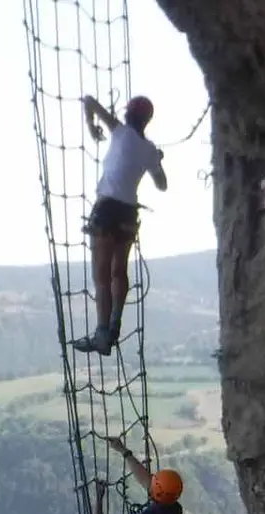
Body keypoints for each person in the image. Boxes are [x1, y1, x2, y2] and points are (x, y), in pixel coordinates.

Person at [73, 95, 167, 356]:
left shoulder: (119, 130)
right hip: (128, 213)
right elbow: (162, 185)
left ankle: (102, 334)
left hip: (107, 209)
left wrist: (92, 128)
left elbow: (89, 101)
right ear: (147, 120)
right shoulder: (148, 149)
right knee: (118, 271)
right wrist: (157, 160)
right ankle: (114, 323)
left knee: (101, 275)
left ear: (128, 114)